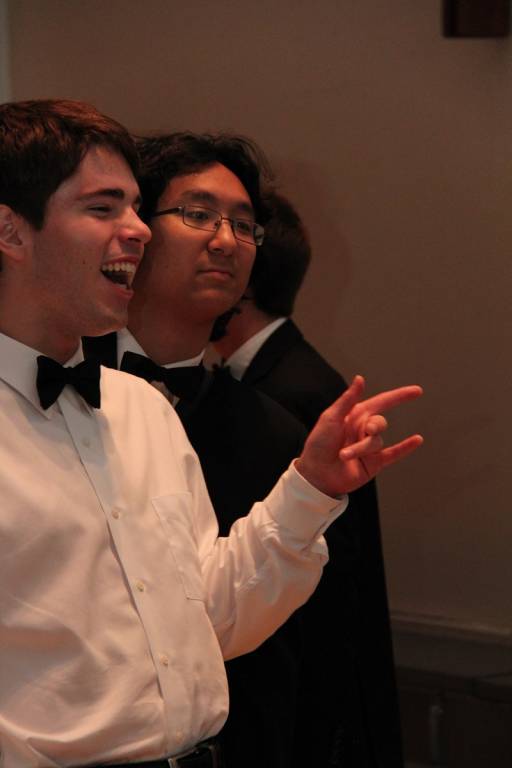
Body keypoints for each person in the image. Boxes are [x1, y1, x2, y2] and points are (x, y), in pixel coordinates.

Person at [0, 99, 422, 768]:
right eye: (103, 208)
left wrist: (309, 489)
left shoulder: (142, 410)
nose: (137, 230)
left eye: (136, 208)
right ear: (11, 231)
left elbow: (210, 621)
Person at [83, 132, 310, 768]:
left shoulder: (275, 433)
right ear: (134, 231)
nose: (226, 241)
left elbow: (298, 649)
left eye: (243, 225)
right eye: (198, 213)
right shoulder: (57, 391)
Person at [214, 192, 405, 767]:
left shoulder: (286, 394)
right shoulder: (282, 376)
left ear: (241, 280)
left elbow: (323, 587)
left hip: (309, 694)